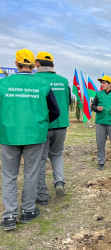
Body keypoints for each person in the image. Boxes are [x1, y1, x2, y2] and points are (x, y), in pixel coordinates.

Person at [0, 49, 60, 231]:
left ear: (16, 64)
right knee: (31, 173)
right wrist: (40, 124)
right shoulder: (42, 84)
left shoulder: (4, 84)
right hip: (35, 136)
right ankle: (27, 211)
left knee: (9, 176)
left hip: (8, 136)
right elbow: (55, 111)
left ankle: (9, 216)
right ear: (34, 65)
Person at [35, 51, 71, 205]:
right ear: (53, 66)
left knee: (41, 159)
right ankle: (59, 183)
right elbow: (68, 101)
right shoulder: (63, 81)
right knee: (57, 154)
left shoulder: (35, 80)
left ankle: (42, 193)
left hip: (42, 126)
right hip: (61, 125)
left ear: (37, 64)